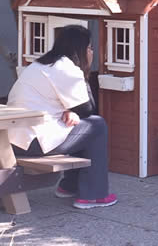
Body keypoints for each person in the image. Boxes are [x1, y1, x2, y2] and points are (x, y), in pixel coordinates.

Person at [7, 25, 117, 209]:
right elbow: (89, 110)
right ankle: (93, 195)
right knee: (96, 126)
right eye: (90, 48)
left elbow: (74, 108)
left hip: (12, 140)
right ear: (80, 49)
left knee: (79, 126)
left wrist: (70, 110)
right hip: (32, 143)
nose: (92, 52)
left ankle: (69, 186)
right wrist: (85, 72)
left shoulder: (39, 65)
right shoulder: (67, 69)